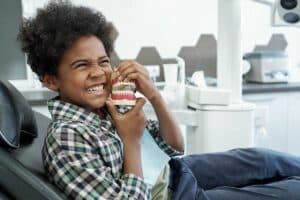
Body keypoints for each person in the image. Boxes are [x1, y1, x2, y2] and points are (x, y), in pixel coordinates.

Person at [17, 1, 300, 199]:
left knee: (263, 160)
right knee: (290, 191)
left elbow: (174, 146)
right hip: (169, 195)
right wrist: (129, 140)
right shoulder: (68, 138)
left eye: (103, 61)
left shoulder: (107, 109)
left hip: (174, 173)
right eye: (81, 65)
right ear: (50, 80)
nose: (98, 73)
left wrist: (153, 95)